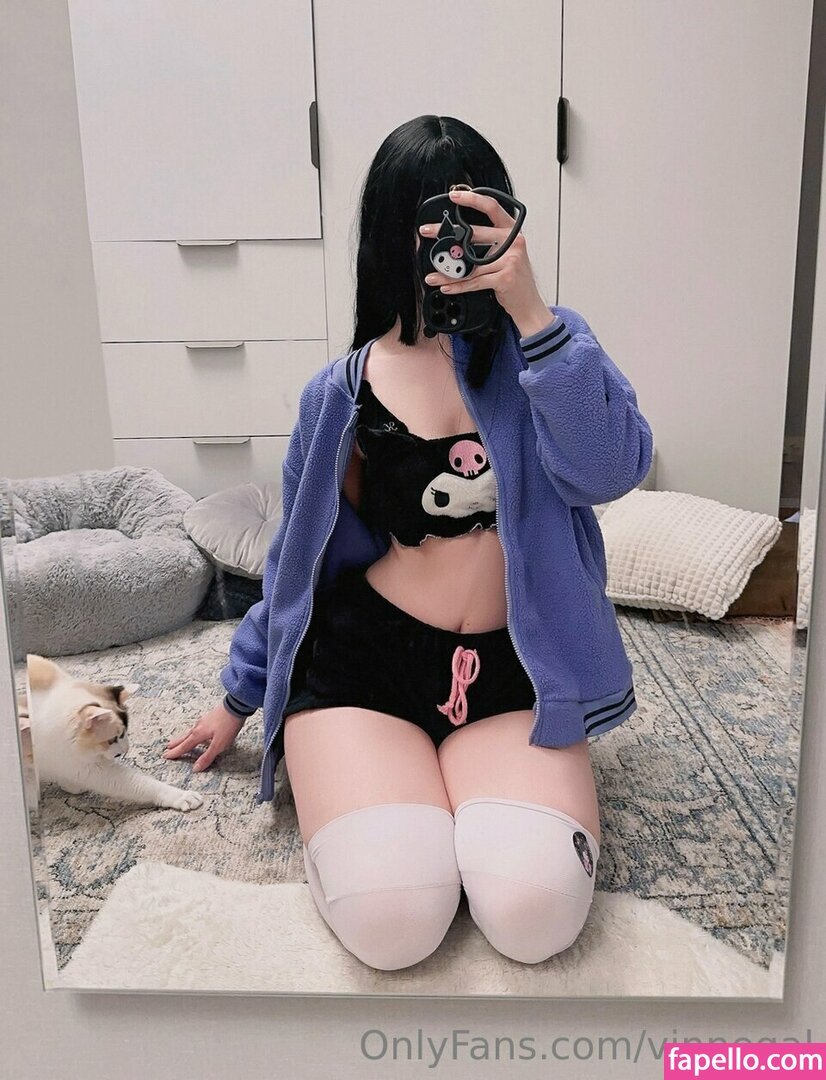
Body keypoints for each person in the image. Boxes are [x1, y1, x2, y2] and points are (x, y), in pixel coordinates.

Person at [163, 115, 653, 971]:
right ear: (393, 236)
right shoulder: (340, 393)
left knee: (534, 914)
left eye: (474, 221)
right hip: (364, 670)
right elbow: (299, 564)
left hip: (514, 673)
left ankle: (453, 803)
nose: (454, 246)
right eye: (432, 225)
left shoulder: (553, 348)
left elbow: (612, 469)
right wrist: (239, 696)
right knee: (392, 921)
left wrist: (532, 315)